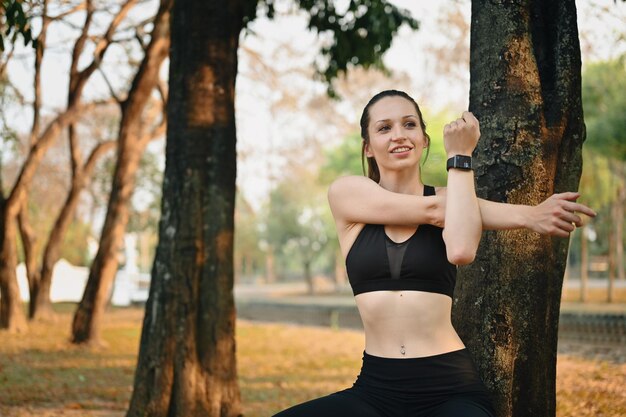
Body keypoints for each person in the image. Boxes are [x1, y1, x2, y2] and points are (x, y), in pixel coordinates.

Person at [273, 90, 596, 417]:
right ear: (368, 147)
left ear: (424, 140)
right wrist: (527, 215)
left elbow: (461, 249)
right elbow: (434, 209)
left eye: (409, 124)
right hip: (375, 391)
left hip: (449, 389)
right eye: (384, 128)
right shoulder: (347, 194)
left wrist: (460, 157)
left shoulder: (455, 200)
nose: (399, 134)